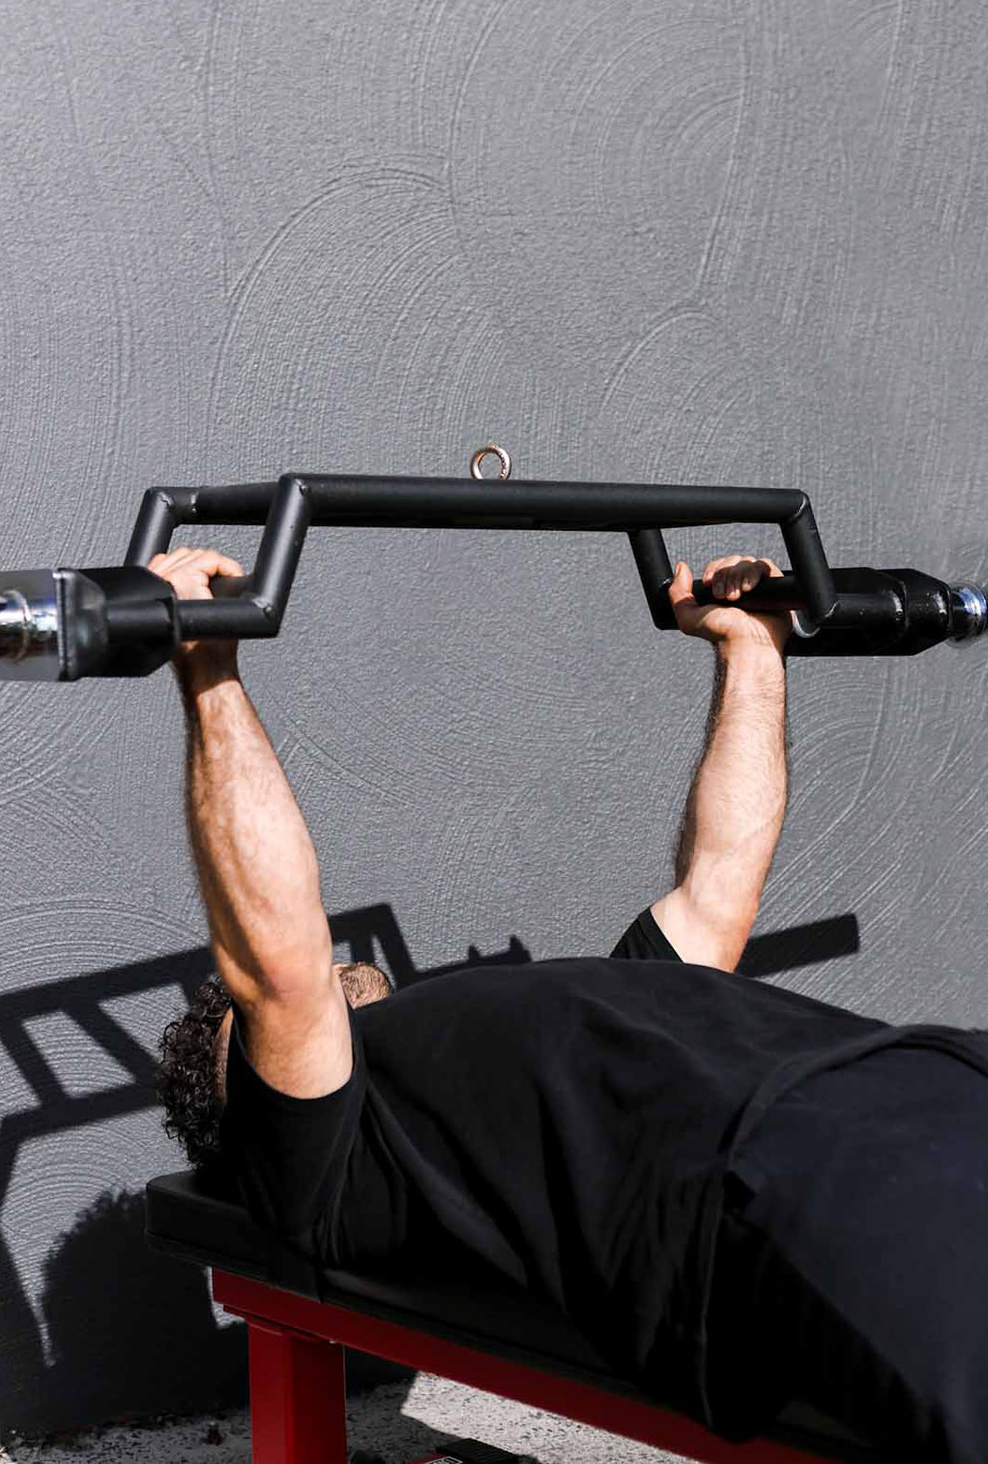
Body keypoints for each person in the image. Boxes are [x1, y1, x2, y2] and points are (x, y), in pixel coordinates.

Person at [154, 544, 988, 1463]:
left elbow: (720, 884)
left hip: (928, 1072)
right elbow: (277, 966)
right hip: (789, 1183)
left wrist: (752, 651)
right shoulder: (333, 1167)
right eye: (256, 1038)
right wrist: (207, 662)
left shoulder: (587, 1008)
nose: (316, 992)